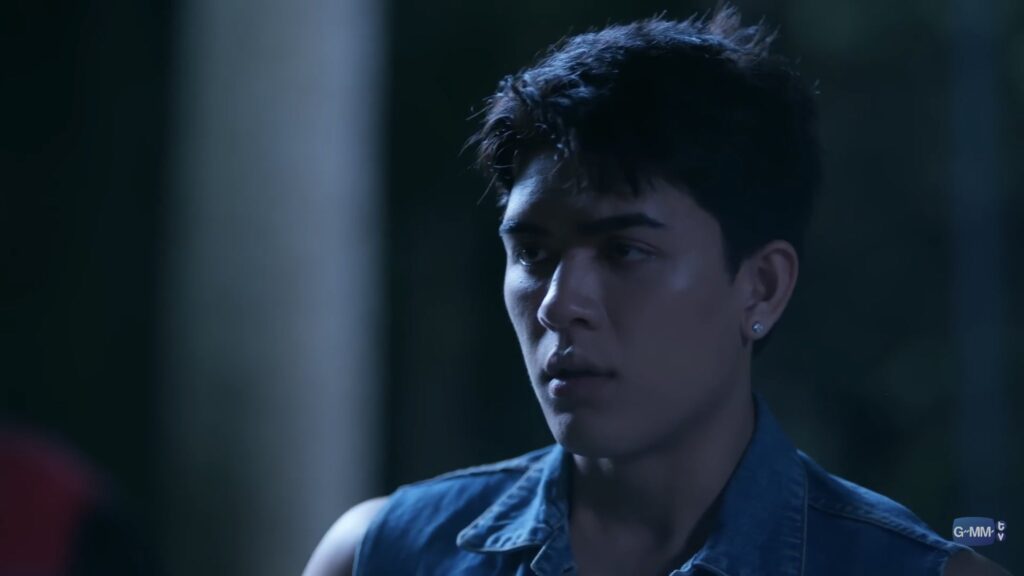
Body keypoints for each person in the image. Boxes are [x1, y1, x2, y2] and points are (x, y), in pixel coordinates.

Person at [304, 7, 1010, 575]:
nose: (559, 304)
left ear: (761, 287)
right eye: (533, 253)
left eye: (625, 251)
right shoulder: (383, 555)